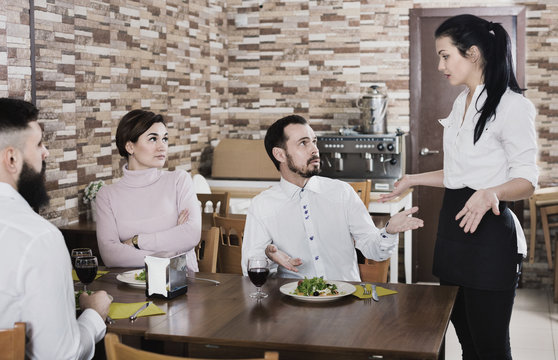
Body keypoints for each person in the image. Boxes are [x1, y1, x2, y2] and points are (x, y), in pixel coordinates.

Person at [380, 15, 538, 359]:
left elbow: (527, 180)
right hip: (453, 234)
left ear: (474, 54)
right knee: (465, 340)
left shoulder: (513, 106)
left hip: (490, 238)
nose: (440, 65)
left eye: (445, 55)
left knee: (490, 346)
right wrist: (413, 179)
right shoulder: (460, 103)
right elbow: (457, 175)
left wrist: (492, 193)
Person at [241, 114, 424, 281]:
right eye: (304, 143)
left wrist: (388, 232)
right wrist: (270, 257)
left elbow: (373, 250)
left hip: (346, 302)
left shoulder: (342, 192)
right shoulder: (262, 205)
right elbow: (250, 268)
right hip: (292, 304)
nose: (314, 149)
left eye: (314, 141)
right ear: (279, 154)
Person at [0, 98, 111, 359]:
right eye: (39, 144)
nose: (46, 152)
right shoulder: (38, 239)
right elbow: (62, 355)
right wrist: (94, 315)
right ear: (12, 158)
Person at [96, 109, 201, 269]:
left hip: (182, 284)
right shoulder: (107, 195)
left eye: (164, 139)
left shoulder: (179, 180)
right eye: (153, 139)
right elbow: (111, 255)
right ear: (130, 147)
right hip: (128, 288)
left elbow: (191, 235)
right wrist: (171, 253)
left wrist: (136, 241)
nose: (162, 147)